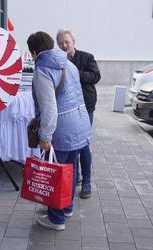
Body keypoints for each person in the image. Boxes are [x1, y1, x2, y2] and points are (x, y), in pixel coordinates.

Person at [27, 31, 92, 231]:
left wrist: (45, 136)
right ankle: (66, 208)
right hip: (80, 124)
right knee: (69, 171)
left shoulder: (42, 72)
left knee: (54, 172)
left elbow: (49, 108)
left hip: (61, 130)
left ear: (35, 52)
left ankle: (56, 219)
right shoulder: (69, 63)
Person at [56, 29, 101, 199]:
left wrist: (74, 73)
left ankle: (87, 181)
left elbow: (96, 76)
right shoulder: (58, 61)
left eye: (67, 42)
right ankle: (76, 178)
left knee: (83, 145)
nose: (64, 45)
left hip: (85, 107)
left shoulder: (86, 57)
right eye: (60, 43)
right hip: (66, 109)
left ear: (73, 41)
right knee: (71, 146)